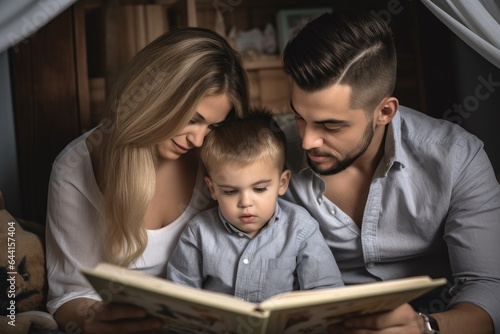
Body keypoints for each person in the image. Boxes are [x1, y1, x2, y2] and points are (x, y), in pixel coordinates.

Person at [281, 10, 500, 334]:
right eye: (299, 116)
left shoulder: (457, 157)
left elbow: (489, 287)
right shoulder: (274, 155)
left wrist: (425, 328)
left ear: (384, 111)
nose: (308, 139)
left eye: (331, 125)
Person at [45, 27, 249, 333]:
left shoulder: (214, 157)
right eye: (192, 119)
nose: (198, 139)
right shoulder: (75, 169)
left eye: (213, 125)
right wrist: (95, 319)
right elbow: (69, 293)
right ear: (155, 98)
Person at [166, 109, 344, 302]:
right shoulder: (198, 232)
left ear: (282, 183)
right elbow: (180, 294)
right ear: (212, 189)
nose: (246, 203)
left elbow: (326, 292)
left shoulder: (301, 228)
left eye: (259, 189)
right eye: (230, 191)